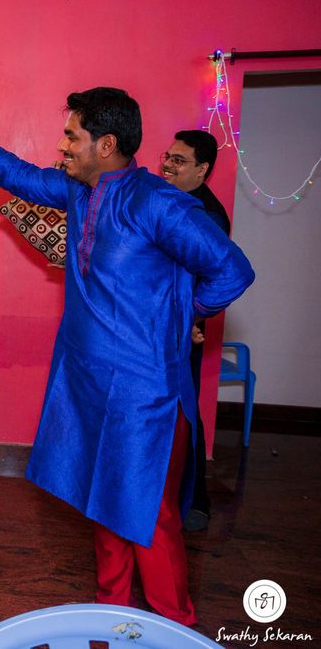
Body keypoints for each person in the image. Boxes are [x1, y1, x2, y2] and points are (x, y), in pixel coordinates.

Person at [0, 88, 254, 625]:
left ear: (107, 144)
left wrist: (183, 312)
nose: (62, 145)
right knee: (105, 507)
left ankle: (176, 628)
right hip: (87, 382)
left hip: (146, 395)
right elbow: (19, 175)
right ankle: (112, 624)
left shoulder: (156, 202)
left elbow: (232, 270)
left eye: (72, 136)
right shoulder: (79, 191)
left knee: (147, 518)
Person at [159, 129, 232, 532]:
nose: (168, 164)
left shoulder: (207, 216)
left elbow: (218, 277)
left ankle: (195, 500)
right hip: (157, 328)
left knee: (185, 414)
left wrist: (193, 320)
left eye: (179, 160)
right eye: (167, 157)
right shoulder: (168, 199)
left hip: (182, 332)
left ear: (202, 170)